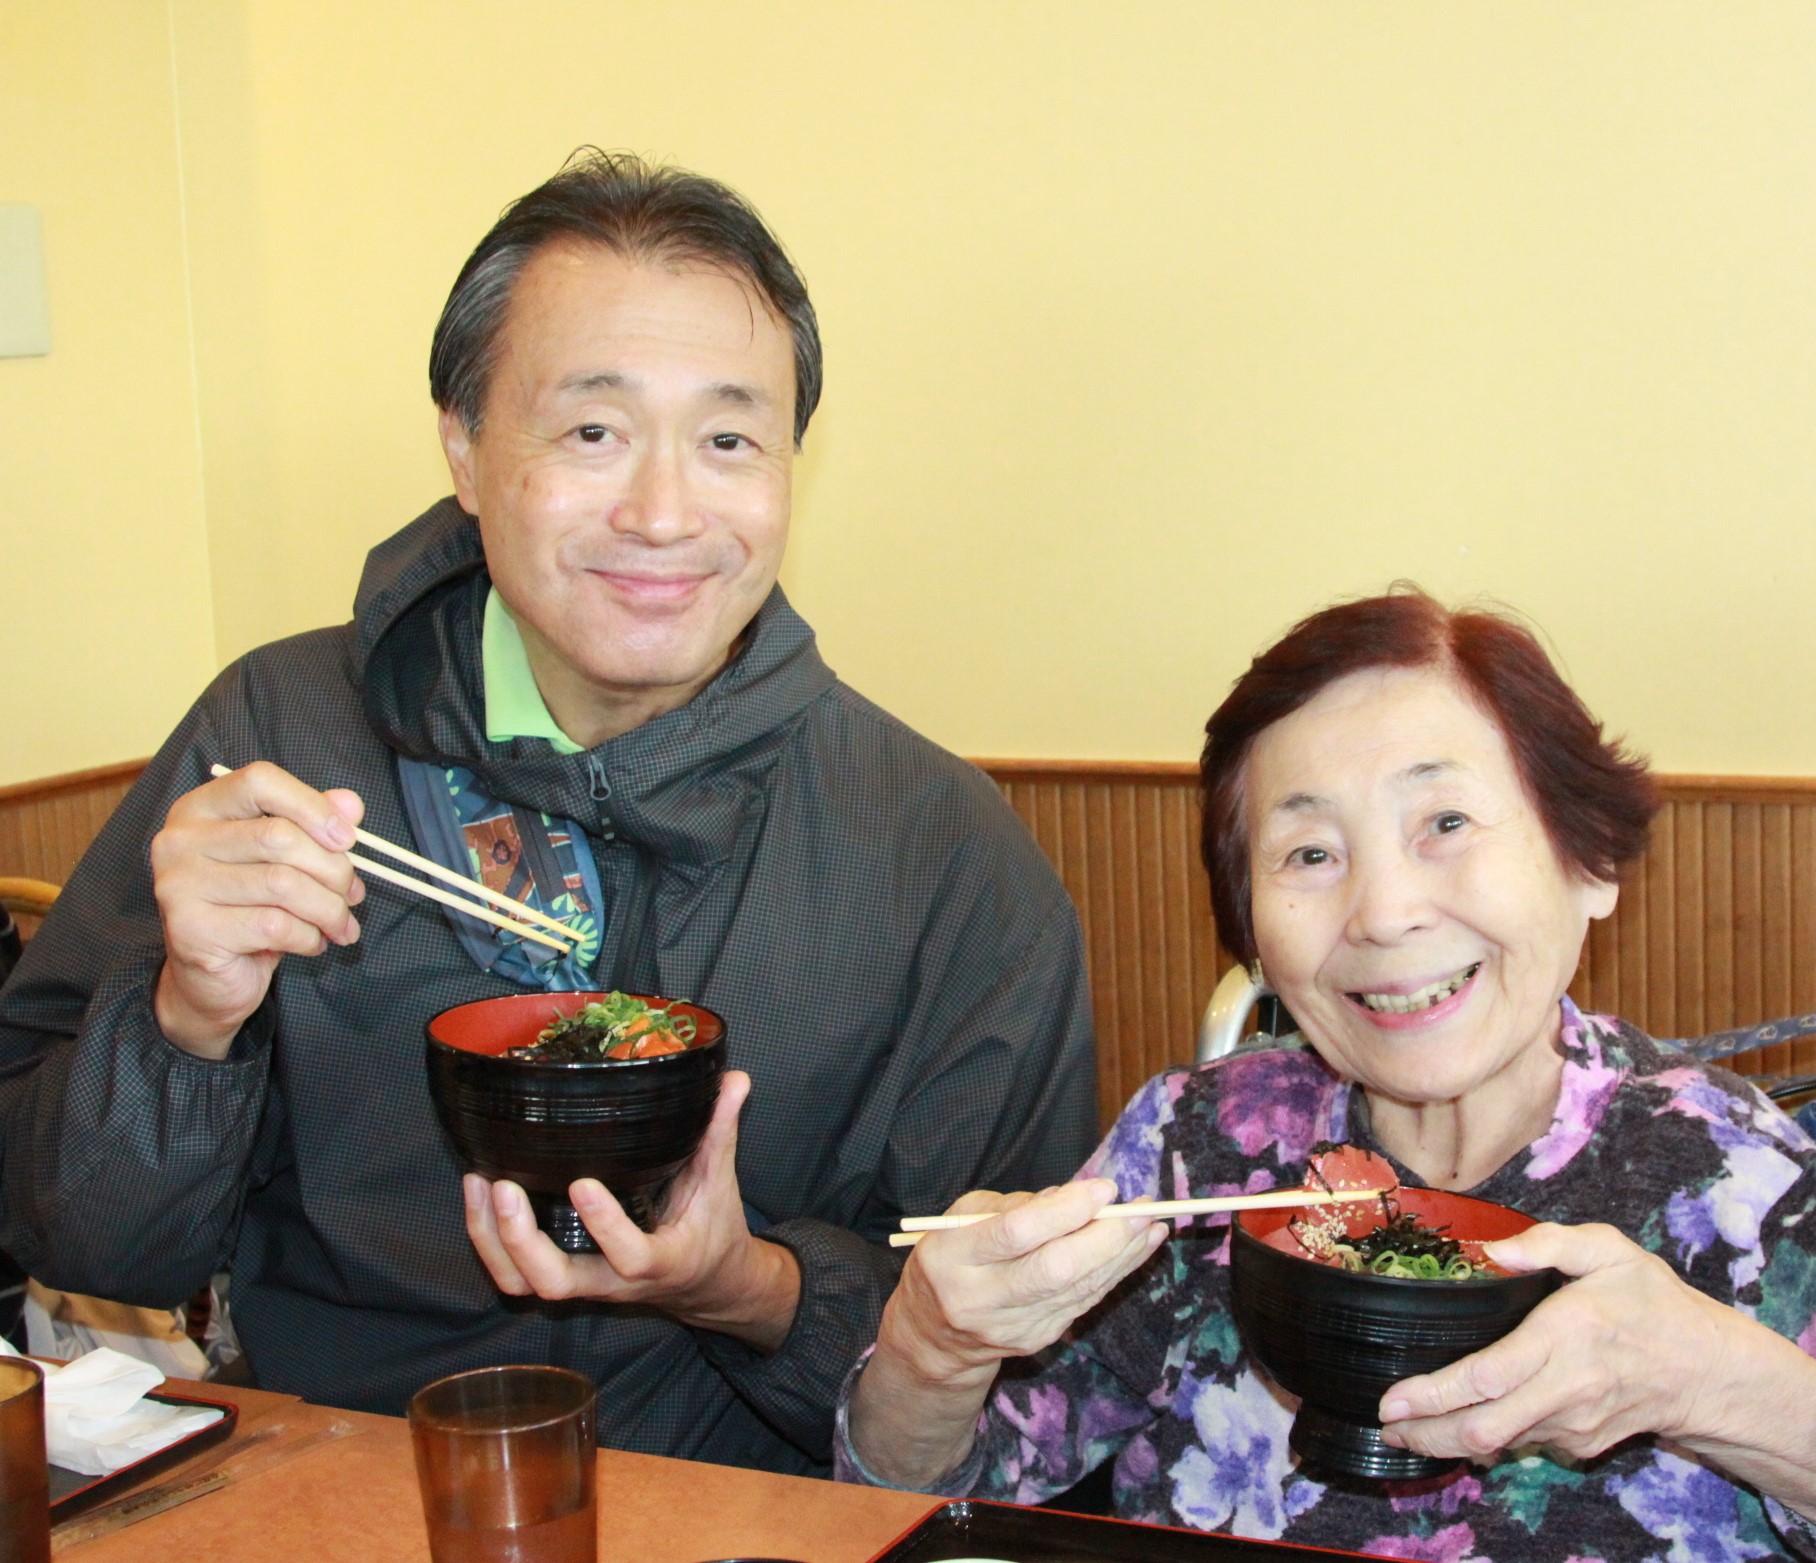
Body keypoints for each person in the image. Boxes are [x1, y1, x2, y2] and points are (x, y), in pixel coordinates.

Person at [0, 151, 1097, 1472]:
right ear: (464, 448)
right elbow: (82, 1239)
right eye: (592, 430)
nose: (662, 510)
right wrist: (186, 1014)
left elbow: (1024, 1376)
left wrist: (739, 1281)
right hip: (341, 1492)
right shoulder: (279, 740)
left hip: (750, 1518)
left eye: (729, 438)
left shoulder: (943, 854)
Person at [837, 586, 1816, 1557]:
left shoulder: (1725, 1171)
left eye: (1444, 824)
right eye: (1309, 852)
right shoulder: (1200, 1150)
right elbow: (914, 1503)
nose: (1383, 912)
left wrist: (1717, 1382)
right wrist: (934, 1348)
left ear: (1588, 861)